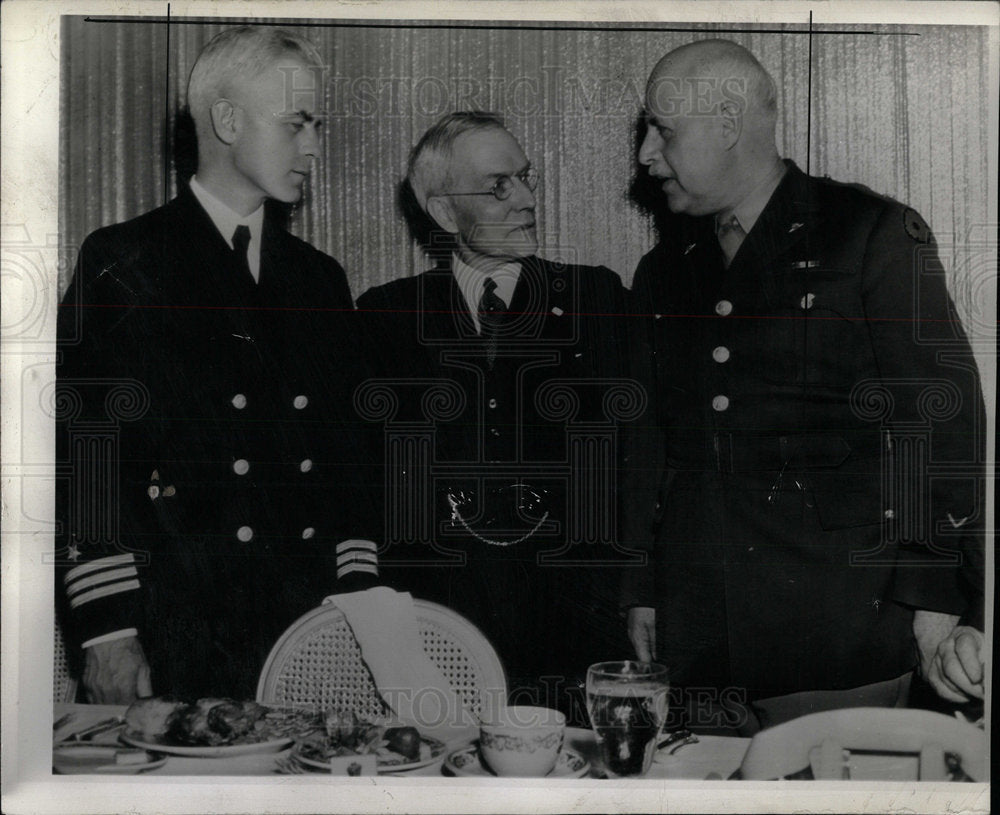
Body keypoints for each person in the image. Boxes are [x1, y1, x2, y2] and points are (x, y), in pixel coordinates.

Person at [623, 39, 985, 732]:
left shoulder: (869, 233)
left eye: (662, 130)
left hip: (839, 626)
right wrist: (640, 587)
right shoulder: (665, 270)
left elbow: (941, 426)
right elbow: (650, 445)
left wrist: (934, 601)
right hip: (697, 634)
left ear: (728, 123)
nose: (644, 153)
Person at [56, 26, 382, 703]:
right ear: (228, 120)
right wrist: (107, 628)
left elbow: (348, 462)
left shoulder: (319, 279)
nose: (314, 146)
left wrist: (360, 601)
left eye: (316, 124)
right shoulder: (127, 260)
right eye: (297, 124)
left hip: (309, 629)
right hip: (175, 625)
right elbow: (90, 457)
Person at [356, 112, 638, 717]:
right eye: (497, 187)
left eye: (526, 179)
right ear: (440, 211)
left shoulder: (598, 300)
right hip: (435, 633)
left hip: (574, 631)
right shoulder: (384, 317)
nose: (528, 200)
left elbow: (638, 463)